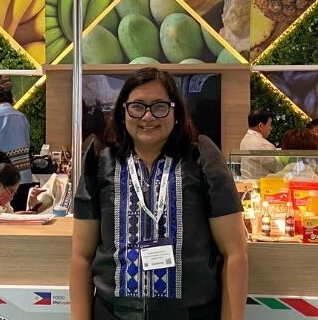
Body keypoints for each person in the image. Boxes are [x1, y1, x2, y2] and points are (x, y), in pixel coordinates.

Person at [71, 67, 248, 320]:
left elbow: (235, 253)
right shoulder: (100, 165)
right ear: (123, 112)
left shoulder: (202, 161)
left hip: (191, 313)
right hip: (114, 312)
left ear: (176, 113)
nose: (148, 116)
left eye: (159, 106)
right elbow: (81, 256)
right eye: (137, 106)